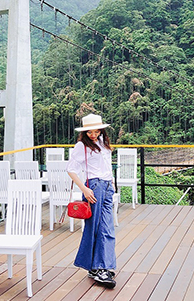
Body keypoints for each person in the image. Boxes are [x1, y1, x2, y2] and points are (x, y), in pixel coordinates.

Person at [67, 113, 117, 288]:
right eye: (90, 132)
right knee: (94, 228)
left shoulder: (103, 142)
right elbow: (71, 169)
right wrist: (85, 189)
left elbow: (107, 165)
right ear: (85, 132)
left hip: (107, 186)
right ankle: (98, 267)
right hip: (93, 187)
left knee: (107, 228)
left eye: (96, 131)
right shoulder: (81, 146)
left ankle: (101, 266)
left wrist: (111, 183)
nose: (93, 135)